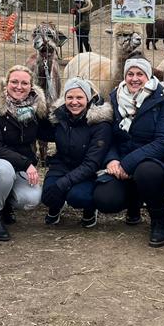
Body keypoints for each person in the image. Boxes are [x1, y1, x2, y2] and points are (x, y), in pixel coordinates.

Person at [93, 58, 164, 247]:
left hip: (158, 167)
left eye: (140, 74)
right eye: (130, 74)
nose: (134, 78)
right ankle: (134, 203)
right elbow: (111, 138)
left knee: (145, 172)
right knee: (105, 199)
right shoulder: (115, 100)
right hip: (122, 166)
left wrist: (128, 163)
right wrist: (112, 160)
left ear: (149, 77)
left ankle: (158, 218)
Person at [0, 65, 47, 241]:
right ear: (6, 84)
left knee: (31, 198)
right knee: (4, 170)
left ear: (31, 86)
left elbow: (50, 131)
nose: (19, 87)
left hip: (19, 165)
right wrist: (25, 163)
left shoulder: (35, 108)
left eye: (25, 83)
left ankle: (6, 202)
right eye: (14, 82)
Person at [40, 77, 113, 228]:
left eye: (79, 97)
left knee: (78, 197)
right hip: (62, 165)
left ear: (88, 98)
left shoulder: (100, 124)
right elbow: (41, 132)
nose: (74, 102)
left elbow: (92, 163)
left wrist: (62, 184)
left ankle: (89, 210)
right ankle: (55, 207)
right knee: (48, 195)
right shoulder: (60, 117)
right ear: (64, 98)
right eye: (70, 97)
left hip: (88, 171)